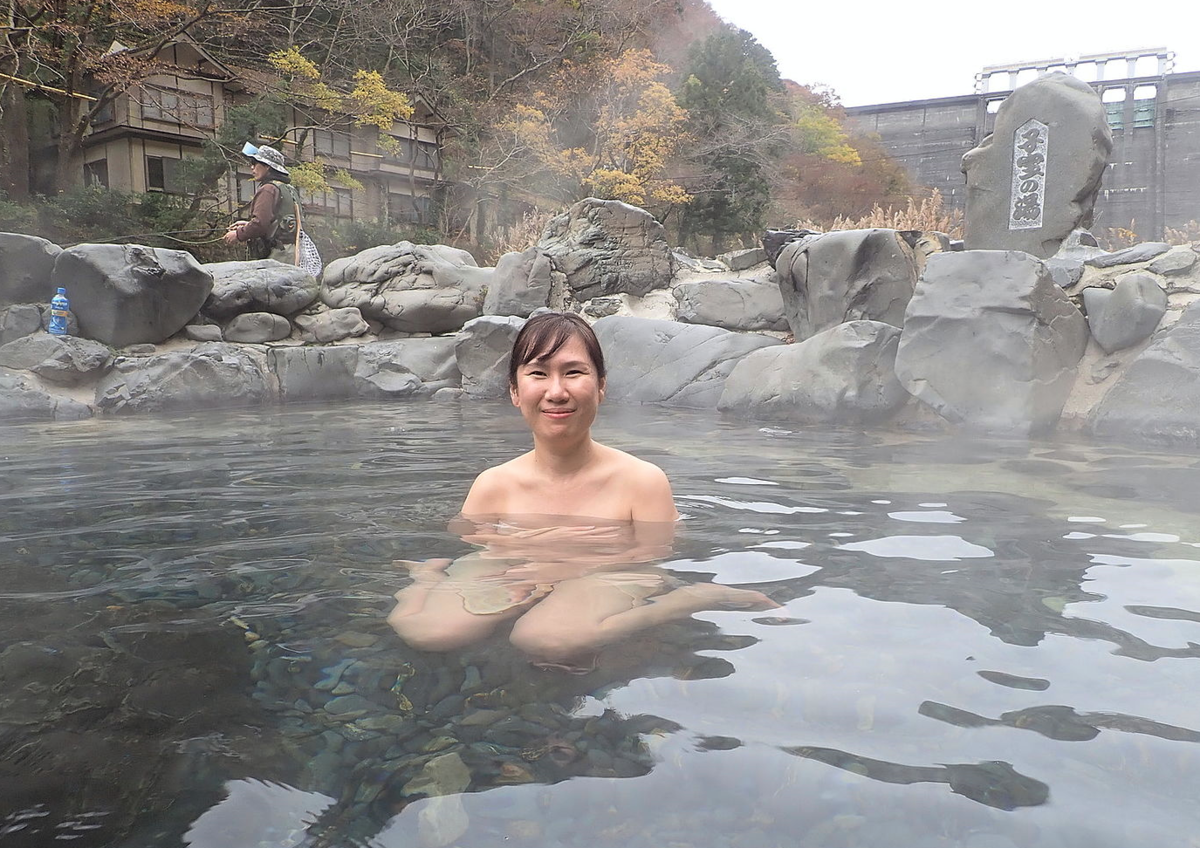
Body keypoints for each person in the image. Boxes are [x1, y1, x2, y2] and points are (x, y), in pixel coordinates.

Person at [388, 312, 777, 669]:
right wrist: (523, 556)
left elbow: (651, 561)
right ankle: (427, 578)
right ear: (514, 391)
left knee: (543, 638)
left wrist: (565, 564)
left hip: (607, 574)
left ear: (601, 386)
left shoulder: (641, 481)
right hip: (519, 569)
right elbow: (472, 543)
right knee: (426, 631)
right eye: (538, 374)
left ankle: (694, 599)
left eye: (573, 372)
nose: (556, 392)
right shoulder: (494, 484)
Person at [222, 143, 299, 263]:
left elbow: (259, 225)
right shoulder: (288, 188)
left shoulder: (268, 189)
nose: (251, 167)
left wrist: (238, 234)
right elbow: (275, 221)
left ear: (267, 166)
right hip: (292, 252)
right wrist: (247, 225)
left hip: (276, 255)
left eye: (254, 163)